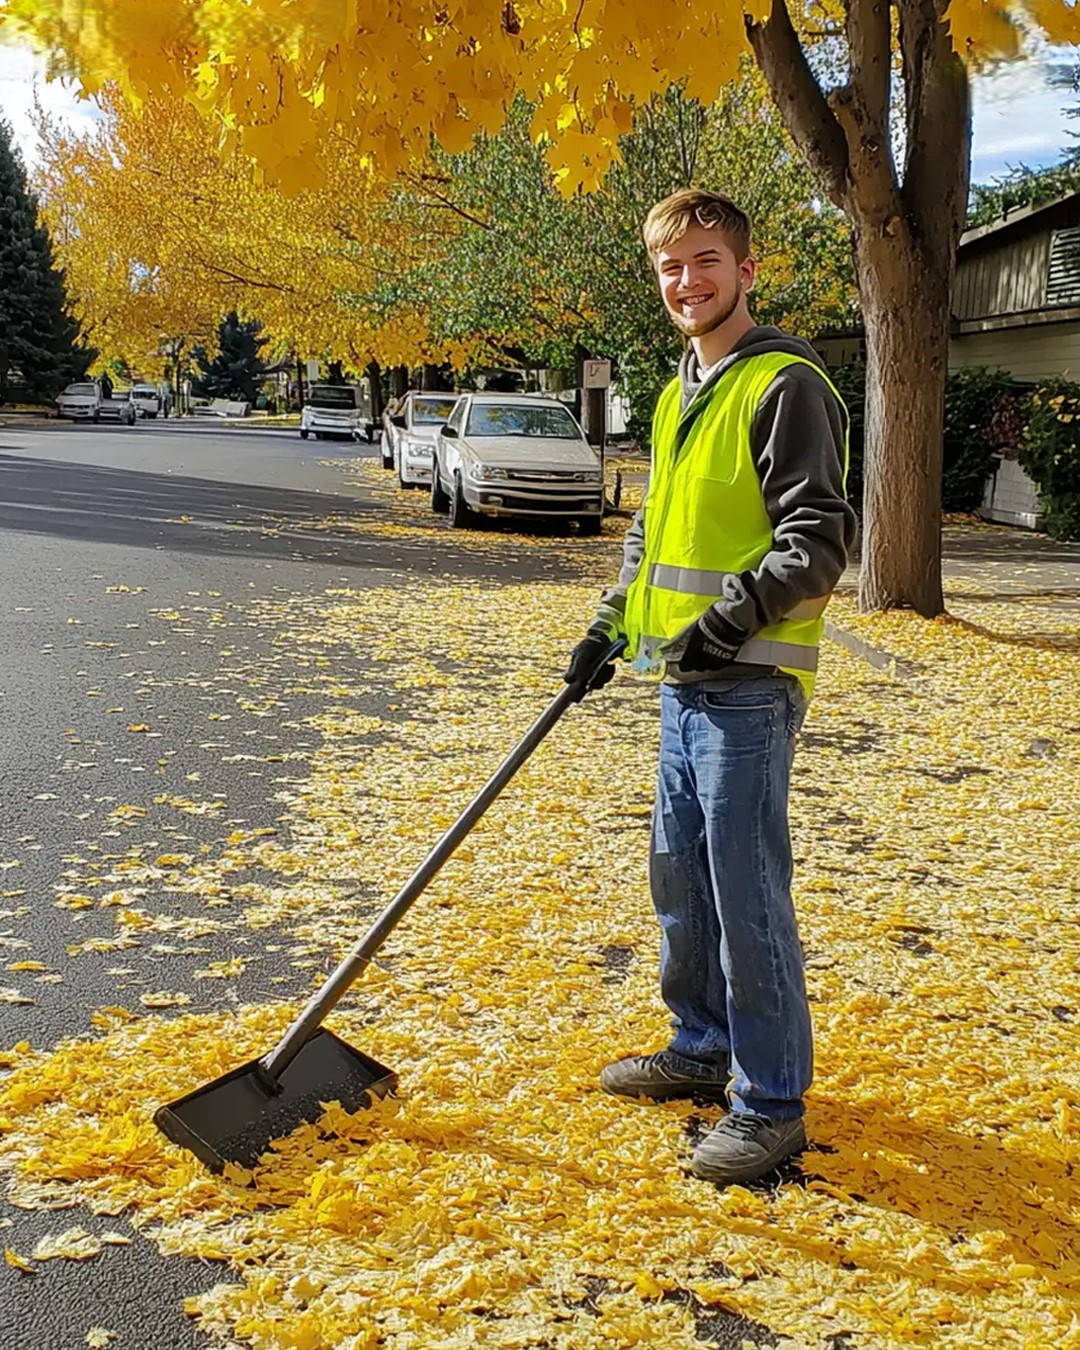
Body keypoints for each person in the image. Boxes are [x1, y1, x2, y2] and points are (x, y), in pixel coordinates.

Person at [565, 188, 857, 1186]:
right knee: (680, 882)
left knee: (746, 894)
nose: (686, 281)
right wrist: (611, 624)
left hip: (748, 685)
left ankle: (770, 1104)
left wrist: (724, 622)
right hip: (681, 686)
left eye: (704, 262)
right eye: (670, 267)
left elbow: (820, 542)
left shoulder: (784, 386)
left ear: (745, 269)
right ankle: (699, 1046)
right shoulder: (682, 388)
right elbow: (655, 539)